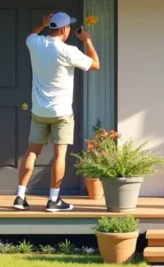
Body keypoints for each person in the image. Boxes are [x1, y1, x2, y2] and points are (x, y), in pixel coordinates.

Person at [14, 11, 100, 212]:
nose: (69, 29)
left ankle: (19, 197)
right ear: (63, 30)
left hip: (39, 111)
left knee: (32, 151)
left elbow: (32, 34)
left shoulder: (35, 43)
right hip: (61, 113)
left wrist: (42, 24)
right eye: (68, 26)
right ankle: (53, 200)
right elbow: (96, 65)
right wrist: (88, 41)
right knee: (59, 155)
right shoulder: (68, 51)